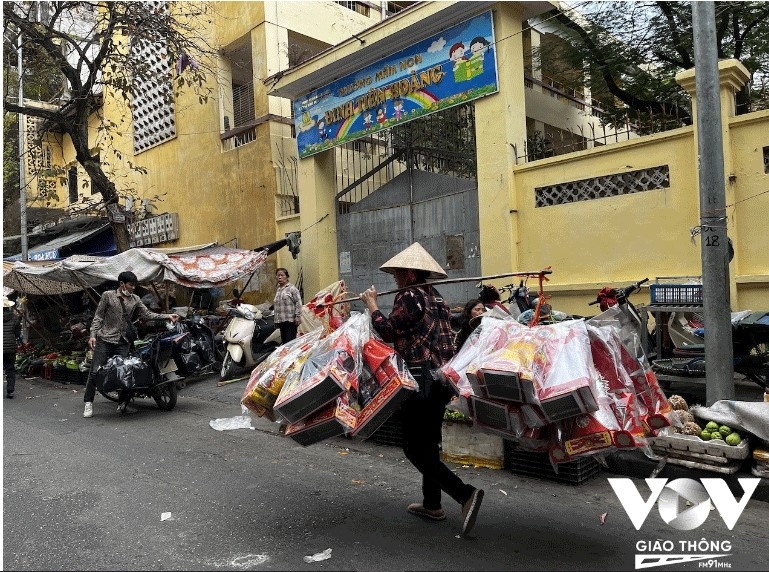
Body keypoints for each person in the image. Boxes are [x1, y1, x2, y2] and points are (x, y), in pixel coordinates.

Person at [359, 242, 484, 537]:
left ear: (411, 273)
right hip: (439, 381)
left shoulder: (409, 296)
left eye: (398, 272)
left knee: (414, 448)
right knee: (428, 445)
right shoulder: (436, 298)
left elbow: (388, 331)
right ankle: (432, 504)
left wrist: (373, 306)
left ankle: (464, 494)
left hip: (419, 382)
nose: (394, 278)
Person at [83, 271, 179, 418]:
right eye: (130, 285)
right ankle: (88, 403)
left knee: (125, 372)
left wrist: (167, 316)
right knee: (95, 371)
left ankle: (122, 404)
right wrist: (92, 335)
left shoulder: (135, 299)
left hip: (123, 341)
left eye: (134, 285)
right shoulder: (108, 296)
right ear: (122, 284)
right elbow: (98, 317)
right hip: (105, 339)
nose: (133, 288)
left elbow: (147, 314)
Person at [273, 268, 302, 344]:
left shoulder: (292, 289)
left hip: (290, 321)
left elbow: (298, 302)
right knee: (284, 342)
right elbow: (277, 305)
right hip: (281, 321)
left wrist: (298, 316)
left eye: (282, 275)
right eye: (278, 275)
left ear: (286, 277)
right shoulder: (278, 289)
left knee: (290, 342)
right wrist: (276, 320)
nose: (280, 277)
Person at [3, 297, 21, 399]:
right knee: (10, 369)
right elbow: (17, 333)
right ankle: (10, 390)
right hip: (10, 348)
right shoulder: (15, 318)